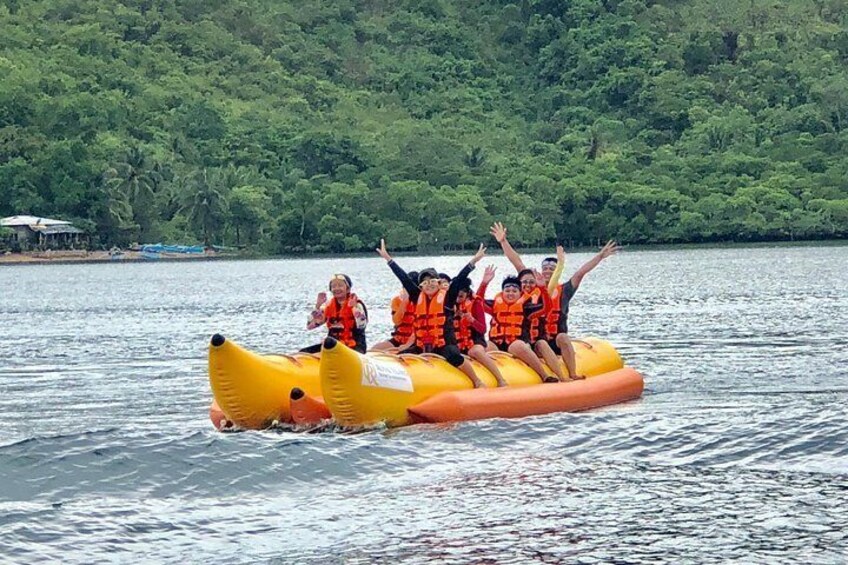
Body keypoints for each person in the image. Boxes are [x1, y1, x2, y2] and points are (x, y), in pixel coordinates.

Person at [376, 239, 487, 388]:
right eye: (425, 282)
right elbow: (404, 278)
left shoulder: (447, 298)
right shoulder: (417, 297)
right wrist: (388, 259)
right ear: (421, 286)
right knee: (400, 356)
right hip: (422, 345)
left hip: (444, 344)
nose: (429, 284)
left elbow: (459, 279)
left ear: (439, 283)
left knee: (455, 356)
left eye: (432, 281)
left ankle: (477, 381)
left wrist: (473, 261)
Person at [544, 240, 621, 379]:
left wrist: (600, 256)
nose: (548, 271)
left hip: (556, 341)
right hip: (539, 341)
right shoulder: (533, 290)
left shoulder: (565, 291)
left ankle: (572, 373)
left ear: (557, 271)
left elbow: (580, 273)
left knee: (562, 337)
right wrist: (503, 242)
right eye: (545, 268)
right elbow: (518, 264)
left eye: (552, 269)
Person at [479, 270, 561, 383]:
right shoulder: (494, 305)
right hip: (497, 344)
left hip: (519, 344)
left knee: (516, 346)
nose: (510, 293)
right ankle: (490, 379)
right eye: (507, 290)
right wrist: (484, 283)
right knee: (485, 345)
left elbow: (547, 308)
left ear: (520, 292)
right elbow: (478, 302)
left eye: (514, 291)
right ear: (502, 292)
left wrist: (543, 288)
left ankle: (544, 375)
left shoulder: (527, 308)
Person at [453, 266, 508, 387]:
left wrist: (472, 320)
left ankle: (500, 379)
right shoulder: (449, 305)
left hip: (475, 340)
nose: (458, 299)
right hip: (458, 342)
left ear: (467, 294)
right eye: (455, 296)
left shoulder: (475, 303)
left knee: (476, 351)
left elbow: (482, 329)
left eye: (461, 296)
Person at [302, 274, 367, 354]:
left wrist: (354, 308)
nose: (336, 288)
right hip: (333, 346)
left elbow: (362, 326)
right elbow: (310, 326)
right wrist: (318, 306)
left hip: (355, 346)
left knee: (330, 345)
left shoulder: (357, 305)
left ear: (348, 289)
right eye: (333, 286)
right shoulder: (328, 307)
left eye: (340, 285)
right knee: (303, 352)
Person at [371, 271, 418, 352]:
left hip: (415, 341)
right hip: (399, 339)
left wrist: (408, 344)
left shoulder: (421, 300)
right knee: (374, 349)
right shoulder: (397, 300)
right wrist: (405, 302)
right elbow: (397, 321)